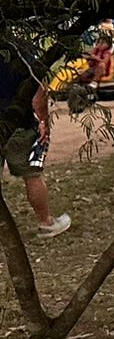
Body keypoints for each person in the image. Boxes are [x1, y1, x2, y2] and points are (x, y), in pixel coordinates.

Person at [0, 42, 72, 239]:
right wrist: (43, 121)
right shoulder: (20, 49)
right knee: (32, 174)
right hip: (18, 123)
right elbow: (39, 90)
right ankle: (46, 222)